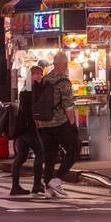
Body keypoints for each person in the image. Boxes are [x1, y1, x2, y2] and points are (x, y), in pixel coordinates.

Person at [36, 51, 80, 198]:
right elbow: (68, 106)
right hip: (60, 122)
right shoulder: (63, 81)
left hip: (45, 123)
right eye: (66, 63)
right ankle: (57, 179)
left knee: (50, 155)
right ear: (63, 64)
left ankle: (48, 186)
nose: (67, 65)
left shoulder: (46, 78)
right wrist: (73, 125)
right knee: (74, 149)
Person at [9, 65, 48, 197]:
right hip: (28, 127)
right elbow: (30, 109)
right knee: (40, 152)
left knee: (21, 156)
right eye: (36, 74)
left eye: (40, 74)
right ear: (30, 75)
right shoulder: (28, 90)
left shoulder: (29, 88)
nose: (38, 76)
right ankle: (36, 184)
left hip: (22, 127)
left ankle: (15, 186)